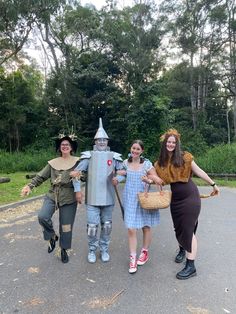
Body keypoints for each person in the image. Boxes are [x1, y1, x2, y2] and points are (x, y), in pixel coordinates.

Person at [147, 129, 219, 279]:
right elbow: (154, 176)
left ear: (177, 143)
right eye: (169, 142)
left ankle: (191, 266)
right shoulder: (160, 163)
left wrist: (213, 184)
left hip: (190, 196)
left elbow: (198, 171)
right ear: (165, 143)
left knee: (187, 229)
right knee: (179, 228)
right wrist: (150, 179)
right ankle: (182, 249)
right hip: (176, 199)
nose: (171, 144)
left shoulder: (185, 157)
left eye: (173, 142)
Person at [21, 133, 80, 263]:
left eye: (67, 144)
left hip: (69, 196)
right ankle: (51, 236)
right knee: (43, 216)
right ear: (59, 147)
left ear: (71, 147)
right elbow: (40, 176)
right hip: (53, 194)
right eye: (62, 144)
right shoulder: (53, 163)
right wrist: (29, 186)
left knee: (66, 226)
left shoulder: (78, 162)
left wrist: (79, 174)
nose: (65, 146)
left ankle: (63, 249)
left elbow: (86, 176)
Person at [70, 118, 123, 264]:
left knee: (106, 225)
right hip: (92, 199)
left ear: (107, 141)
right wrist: (77, 191)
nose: (101, 142)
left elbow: (122, 171)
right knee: (92, 226)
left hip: (108, 198)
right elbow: (75, 174)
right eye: (99, 140)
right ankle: (92, 250)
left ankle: (104, 249)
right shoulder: (88, 156)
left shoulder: (114, 156)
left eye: (104, 140)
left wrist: (118, 178)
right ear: (95, 141)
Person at [113, 140, 163, 274]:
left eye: (138, 149)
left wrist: (149, 180)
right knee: (131, 228)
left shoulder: (146, 164)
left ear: (142, 151)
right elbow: (122, 175)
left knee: (146, 226)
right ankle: (133, 258)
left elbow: (155, 177)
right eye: (133, 148)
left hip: (143, 199)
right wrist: (117, 179)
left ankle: (145, 252)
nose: (135, 151)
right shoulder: (125, 162)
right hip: (130, 199)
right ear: (131, 149)